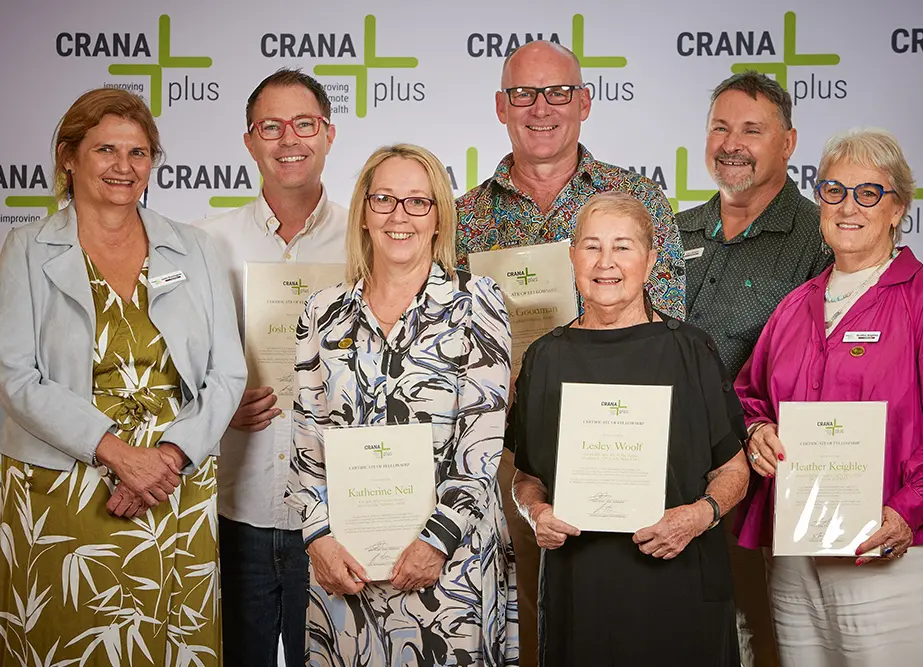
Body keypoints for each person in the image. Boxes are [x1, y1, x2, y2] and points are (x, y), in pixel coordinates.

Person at [455, 41, 686, 664]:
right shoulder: (463, 217)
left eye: (558, 92)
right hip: (516, 448)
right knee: (528, 615)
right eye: (523, 94)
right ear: (501, 106)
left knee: (633, 612)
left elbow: (668, 331)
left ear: (583, 102)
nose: (541, 108)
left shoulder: (637, 199)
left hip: (626, 440)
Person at [0, 89, 246, 665]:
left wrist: (168, 458)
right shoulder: (26, 248)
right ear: (68, 157)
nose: (124, 166)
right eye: (105, 149)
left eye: (139, 153)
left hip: (172, 483)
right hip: (65, 482)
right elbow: (15, 377)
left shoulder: (194, 247)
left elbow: (228, 373)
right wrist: (117, 454)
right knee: (67, 641)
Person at [734, 128, 923, 667]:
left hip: (889, 547)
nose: (848, 206)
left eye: (868, 193)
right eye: (834, 190)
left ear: (897, 208)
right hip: (795, 554)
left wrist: (909, 508)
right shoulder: (795, 306)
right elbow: (748, 397)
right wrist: (756, 432)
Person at [286, 144, 518, 666]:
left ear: (438, 218)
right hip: (345, 568)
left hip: (450, 567)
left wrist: (435, 543)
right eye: (384, 199)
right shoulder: (322, 312)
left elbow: (481, 443)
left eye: (418, 201)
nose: (399, 216)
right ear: (363, 213)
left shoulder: (478, 302)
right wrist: (317, 539)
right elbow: (307, 440)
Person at [509, 192, 749, 667]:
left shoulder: (691, 350)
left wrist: (696, 517)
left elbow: (734, 471)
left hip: (679, 581)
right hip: (581, 590)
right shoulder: (544, 358)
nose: (606, 262)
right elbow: (526, 478)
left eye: (622, 246)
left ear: (651, 259)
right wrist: (536, 513)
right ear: (572, 256)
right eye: (592, 246)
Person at [677, 70, 832, 666]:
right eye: (720, 128)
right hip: (663, 470)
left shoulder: (818, 239)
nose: (732, 144)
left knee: (762, 639)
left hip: (761, 479)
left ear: (788, 143)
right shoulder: (673, 231)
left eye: (751, 130)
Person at [194, 68, 347, 667]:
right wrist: (216, 403)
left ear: (328, 134)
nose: (289, 139)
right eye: (271, 126)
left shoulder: (368, 240)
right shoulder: (205, 244)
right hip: (237, 510)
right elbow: (175, 367)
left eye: (304, 124)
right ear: (249, 141)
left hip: (335, 514)